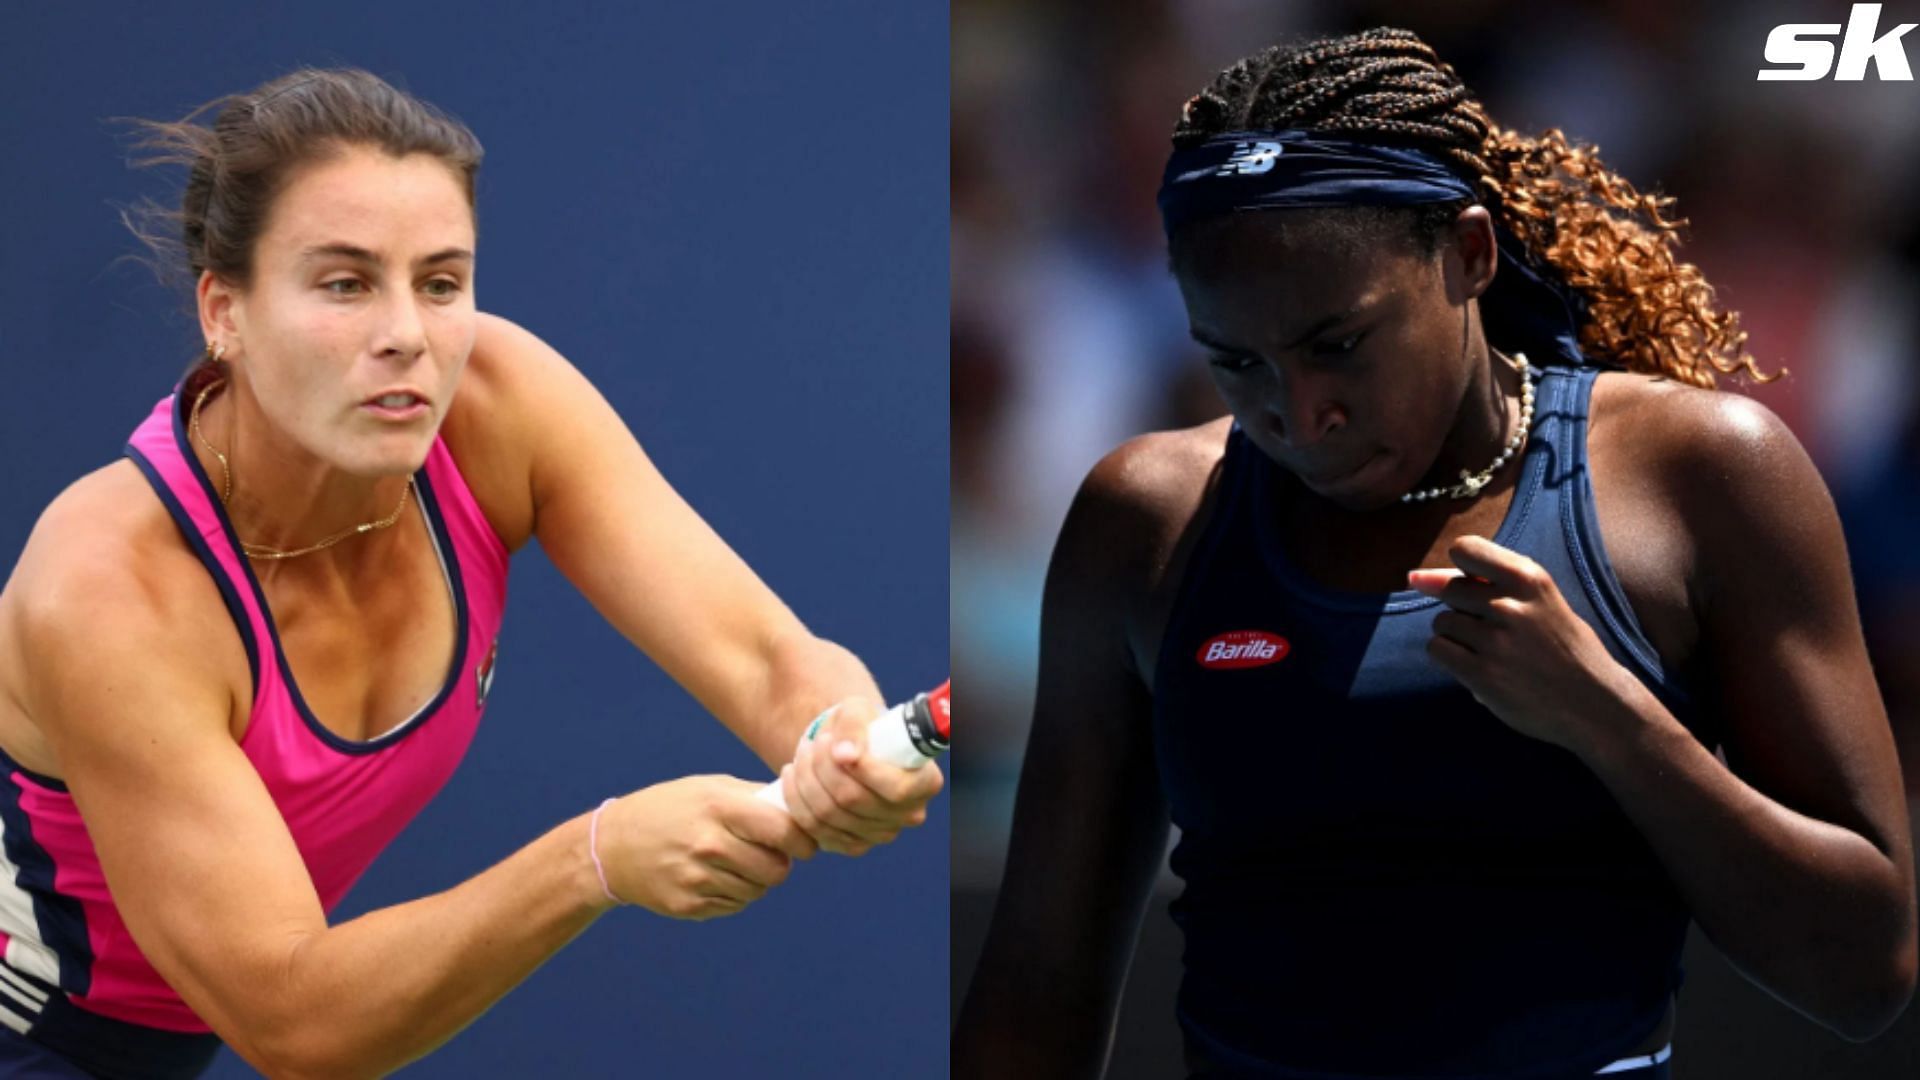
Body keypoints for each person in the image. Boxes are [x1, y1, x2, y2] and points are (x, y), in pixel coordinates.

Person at [954, 27, 1916, 1080]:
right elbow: (1039, 986)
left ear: (1467, 253)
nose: (1299, 413)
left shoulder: (1704, 472)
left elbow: (1867, 972)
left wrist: (1613, 722)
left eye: (1339, 345)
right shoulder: (1143, 520)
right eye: (1236, 362)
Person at [0, 67, 941, 1079]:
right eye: (345, 283)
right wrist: (594, 857)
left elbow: (766, 657)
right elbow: (294, 1020)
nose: (408, 333)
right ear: (222, 312)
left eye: (442, 281)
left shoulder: (496, 402)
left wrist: (834, 739)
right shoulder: (110, 588)